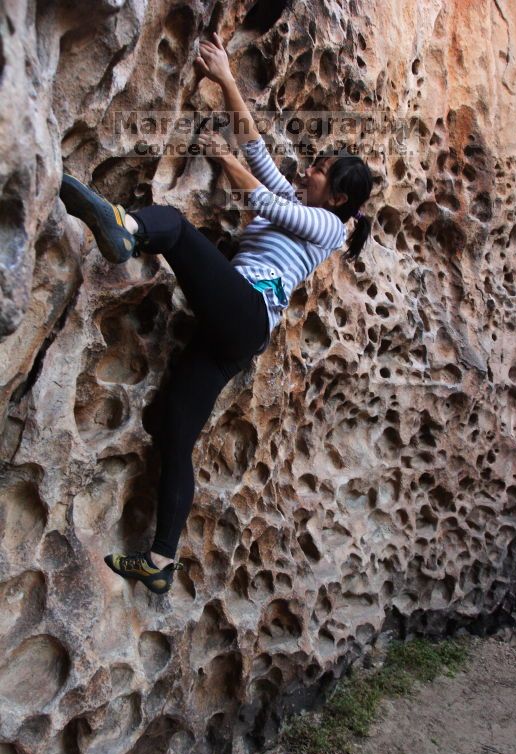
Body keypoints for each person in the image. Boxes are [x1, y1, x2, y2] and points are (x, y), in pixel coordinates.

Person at [59, 32, 374, 595]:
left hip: (246, 312)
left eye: (322, 170)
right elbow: (258, 152)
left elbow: (262, 196)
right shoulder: (307, 207)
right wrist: (226, 77)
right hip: (233, 335)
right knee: (174, 433)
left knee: (176, 228)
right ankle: (160, 560)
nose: (310, 170)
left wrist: (224, 161)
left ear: (340, 199)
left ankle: (127, 230)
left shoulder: (327, 227)